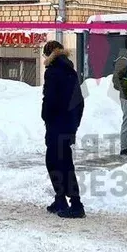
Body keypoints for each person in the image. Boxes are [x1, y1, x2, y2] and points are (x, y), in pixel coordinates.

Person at [41, 40, 85, 219]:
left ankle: (74, 203)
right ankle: (63, 199)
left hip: (56, 125)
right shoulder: (70, 71)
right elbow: (79, 101)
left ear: (49, 54)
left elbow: (50, 100)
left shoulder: (53, 72)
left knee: (56, 163)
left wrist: (46, 117)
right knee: (63, 161)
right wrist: (74, 124)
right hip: (68, 125)